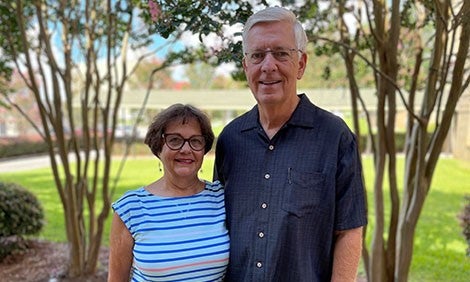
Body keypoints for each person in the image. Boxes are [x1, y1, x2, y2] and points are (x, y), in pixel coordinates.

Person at [213, 6, 367, 282]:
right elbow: (218, 227)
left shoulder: (334, 137)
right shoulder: (230, 140)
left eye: (281, 54)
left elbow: (349, 230)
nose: (268, 66)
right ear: (246, 66)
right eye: (257, 55)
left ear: (301, 64)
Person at [108, 104, 229, 281]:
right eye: (175, 140)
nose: (186, 149)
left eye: (196, 141)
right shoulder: (130, 208)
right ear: (158, 147)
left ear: (204, 150)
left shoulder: (221, 197)